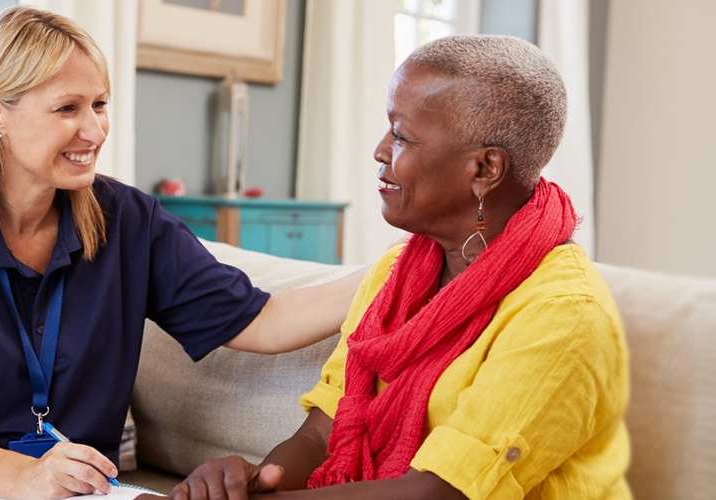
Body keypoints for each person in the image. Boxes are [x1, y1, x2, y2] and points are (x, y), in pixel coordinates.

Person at [0, 6, 364, 500]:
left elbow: (264, 320)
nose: (93, 130)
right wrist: (26, 478)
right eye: (67, 108)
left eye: (99, 104)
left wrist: (399, 266)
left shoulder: (130, 220)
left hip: (75, 491)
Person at [171, 35, 632, 500]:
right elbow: (319, 436)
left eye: (401, 135)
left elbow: (440, 493)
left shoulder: (565, 314)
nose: (379, 150)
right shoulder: (398, 270)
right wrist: (250, 484)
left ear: (485, 169)